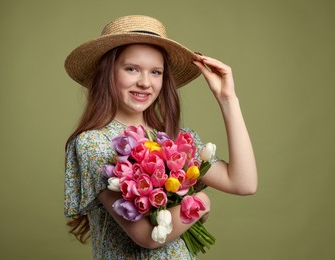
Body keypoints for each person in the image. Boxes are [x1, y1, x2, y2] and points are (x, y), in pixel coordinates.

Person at [63, 15, 257, 259]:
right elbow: (147, 236)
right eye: (131, 69)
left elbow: (244, 183)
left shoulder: (176, 140)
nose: (145, 82)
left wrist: (228, 100)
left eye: (156, 72)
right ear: (108, 73)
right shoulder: (95, 143)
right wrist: (201, 202)